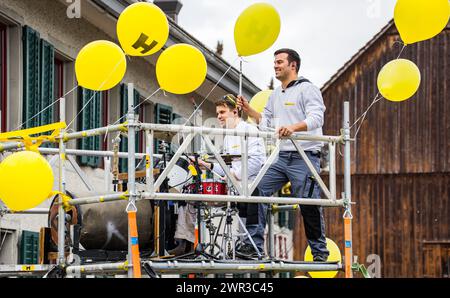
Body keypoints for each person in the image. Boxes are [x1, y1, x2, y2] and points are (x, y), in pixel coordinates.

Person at [237, 48, 330, 261]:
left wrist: (293, 128)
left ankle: (320, 253)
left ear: (293, 65)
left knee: (309, 203)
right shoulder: (275, 94)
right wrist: (250, 110)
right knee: (255, 190)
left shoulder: (308, 89)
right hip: (281, 157)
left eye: (279, 62)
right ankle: (254, 246)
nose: (275, 66)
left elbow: (317, 119)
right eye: (275, 62)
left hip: (304, 156)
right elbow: (267, 123)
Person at [169, 94, 267, 257]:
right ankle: (185, 243)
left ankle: (247, 247)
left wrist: (234, 175)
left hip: (248, 188)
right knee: (189, 196)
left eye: (222, 112)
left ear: (235, 111)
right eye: (218, 113)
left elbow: (258, 161)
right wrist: (207, 165)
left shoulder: (249, 130)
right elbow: (226, 166)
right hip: (231, 189)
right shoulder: (228, 135)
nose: (219, 116)